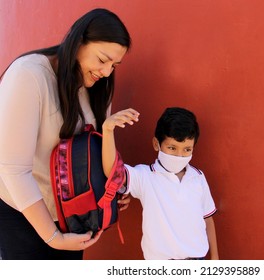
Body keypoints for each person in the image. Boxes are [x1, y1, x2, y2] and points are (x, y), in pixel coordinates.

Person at [0, 8, 132, 260]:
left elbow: (95, 148)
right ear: (78, 40)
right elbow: (13, 169)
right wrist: (53, 237)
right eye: (102, 59)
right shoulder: (29, 75)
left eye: (114, 65)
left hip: (73, 213)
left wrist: (115, 185)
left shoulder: (99, 86)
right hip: (22, 213)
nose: (106, 72)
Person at [102, 107, 219, 260]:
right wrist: (108, 130)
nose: (179, 155)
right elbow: (113, 172)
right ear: (156, 144)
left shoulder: (198, 177)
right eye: (172, 148)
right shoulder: (145, 176)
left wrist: (215, 257)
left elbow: (207, 218)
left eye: (187, 149)